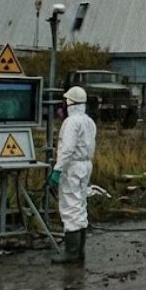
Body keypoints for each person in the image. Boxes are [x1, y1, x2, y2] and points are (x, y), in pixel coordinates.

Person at [49, 85, 97, 265]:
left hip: (72, 167)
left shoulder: (71, 123)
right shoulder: (88, 121)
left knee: (70, 207)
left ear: (69, 102)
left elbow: (67, 150)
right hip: (85, 165)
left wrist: (57, 169)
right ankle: (79, 251)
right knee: (80, 205)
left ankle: (71, 252)